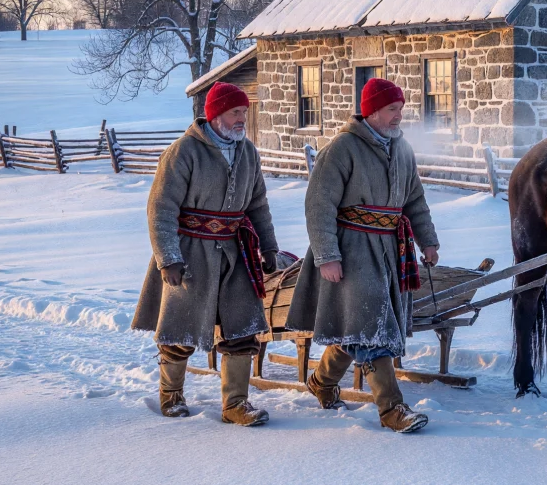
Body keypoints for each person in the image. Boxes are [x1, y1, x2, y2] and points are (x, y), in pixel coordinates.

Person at [287, 78, 441, 433]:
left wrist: (427, 241)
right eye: (392, 109)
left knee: (361, 325)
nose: (399, 116)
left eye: (401, 108)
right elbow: (318, 204)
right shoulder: (342, 148)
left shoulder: (402, 149)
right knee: (372, 325)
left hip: (390, 248)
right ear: (371, 110)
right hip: (352, 248)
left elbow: (414, 200)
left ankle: (322, 382)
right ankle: (391, 409)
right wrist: (327, 256)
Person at [131, 81, 280, 426]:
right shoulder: (184, 152)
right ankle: (171, 397)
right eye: (235, 112)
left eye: (245, 111)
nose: (243, 118)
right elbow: (161, 207)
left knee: (242, 329)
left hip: (235, 252)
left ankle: (235, 405)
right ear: (214, 115)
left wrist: (269, 246)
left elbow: (258, 205)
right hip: (190, 251)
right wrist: (168, 258)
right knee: (180, 329)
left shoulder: (248, 153)